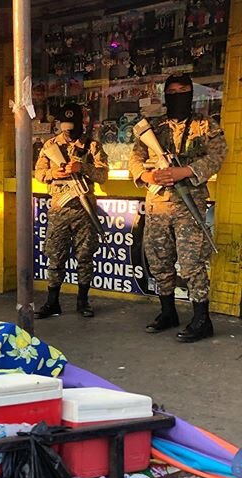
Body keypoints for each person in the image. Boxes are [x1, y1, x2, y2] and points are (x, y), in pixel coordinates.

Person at [129, 73, 227, 342]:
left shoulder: (205, 125)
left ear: (191, 93)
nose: (178, 95)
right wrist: (149, 176)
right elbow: (135, 160)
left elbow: (218, 155)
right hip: (158, 203)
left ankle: (201, 318)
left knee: (192, 262)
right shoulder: (154, 127)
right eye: (172, 91)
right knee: (159, 259)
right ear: (166, 95)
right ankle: (168, 311)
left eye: (183, 90)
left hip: (189, 204)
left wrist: (185, 171)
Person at [34, 103, 109, 319]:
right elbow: (38, 173)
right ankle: (52, 301)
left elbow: (102, 175)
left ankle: (83, 301)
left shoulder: (92, 146)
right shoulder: (50, 145)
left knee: (85, 256)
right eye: (64, 126)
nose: (67, 131)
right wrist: (53, 173)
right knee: (55, 256)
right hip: (59, 209)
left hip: (84, 211)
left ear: (80, 124)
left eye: (71, 127)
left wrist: (82, 168)